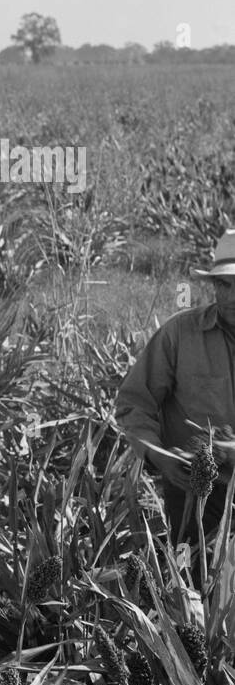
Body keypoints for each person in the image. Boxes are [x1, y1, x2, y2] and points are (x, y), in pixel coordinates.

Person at [116, 228, 235, 542]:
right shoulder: (180, 334)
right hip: (192, 494)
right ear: (212, 285)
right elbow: (134, 403)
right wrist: (158, 456)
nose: (232, 296)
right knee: (196, 582)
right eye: (224, 284)